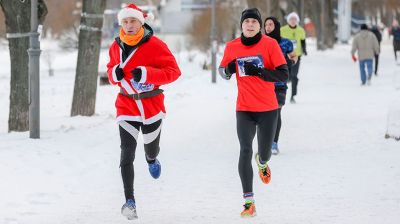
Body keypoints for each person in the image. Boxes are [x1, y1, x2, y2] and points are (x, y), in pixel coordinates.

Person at [106, 4, 181, 220]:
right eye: (125, 22)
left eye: (133, 21)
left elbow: (174, 72)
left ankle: (151, 159)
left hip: (151, 107)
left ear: (141, 22)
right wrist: (114, 74)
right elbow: (110, 70)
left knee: (150, 148)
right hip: (126, 106)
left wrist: (148, 74)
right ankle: (130, 201)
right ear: (121, 24)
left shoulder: (155, 45)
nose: (129, 26)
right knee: (126, 153)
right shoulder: (115, 46)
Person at [219, 8, 288, 218]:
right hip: (244, 109)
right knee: (245, 150)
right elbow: (222, 72)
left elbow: (284, 74)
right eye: (247, 21)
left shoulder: (270, 44)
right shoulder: (232, 46)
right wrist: (229, 69)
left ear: (260, 26)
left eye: (254, 22)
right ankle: (249, 202)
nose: (250, 25)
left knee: (263, 153)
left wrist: (261, 72)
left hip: (268, 108)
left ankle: (263, 162)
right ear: (242, 25)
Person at [264, 16, 297, 155]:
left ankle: (274, 143)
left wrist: (290, 63)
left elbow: (294, 56)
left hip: (280, 84)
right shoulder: (261, 42)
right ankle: (265, 141)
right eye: (265, 25)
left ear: (276, 26)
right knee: (266, 115)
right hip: (264, 84)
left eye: (270, 24)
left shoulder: (286, 43)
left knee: (276, 113)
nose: (268, 27)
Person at [280, 12, 307, 103]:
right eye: (291, 19)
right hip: (284, 56)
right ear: (288, 20)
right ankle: (281, 94)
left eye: (295, 19)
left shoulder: (301, 30)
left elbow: (303, 41)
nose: (293, 21)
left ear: (297, 21)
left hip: (296, 56)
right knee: (286, 76)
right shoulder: (283, 30)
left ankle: (293, 96)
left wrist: (304, 49)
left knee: (294, 75)